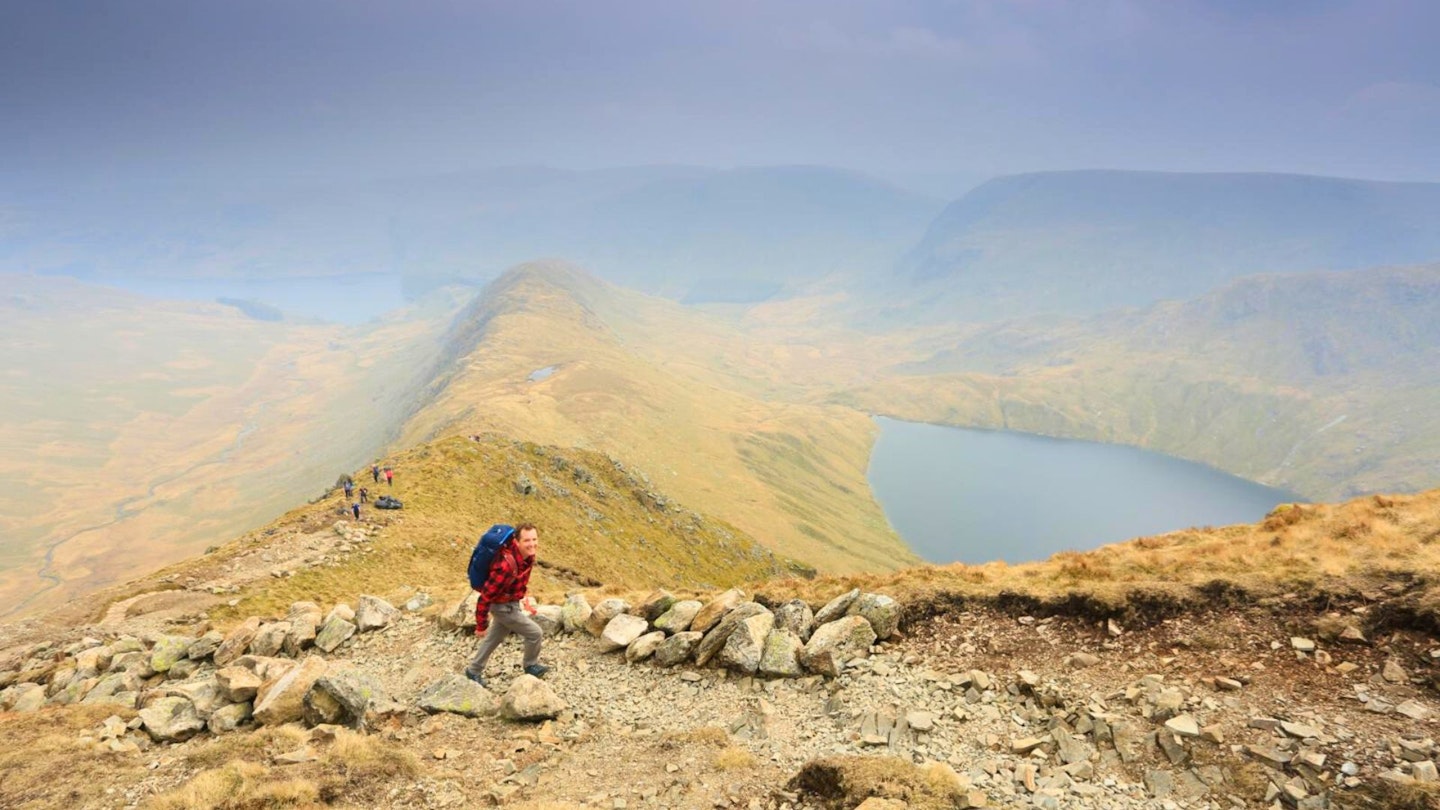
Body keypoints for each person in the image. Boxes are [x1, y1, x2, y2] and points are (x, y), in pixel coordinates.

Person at [465, 522, 547, 686]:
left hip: (511, 602)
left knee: (495, 638)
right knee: (535, 633)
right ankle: (530, 665)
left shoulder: (528, 556)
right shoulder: (505, 566)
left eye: (534, 539)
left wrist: (520, 595)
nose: (532, 544)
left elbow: (520, 578)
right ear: (516, 541)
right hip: (503, 607)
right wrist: (481, 625)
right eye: (527, 540)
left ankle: (473, 670)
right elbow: (485, 597)